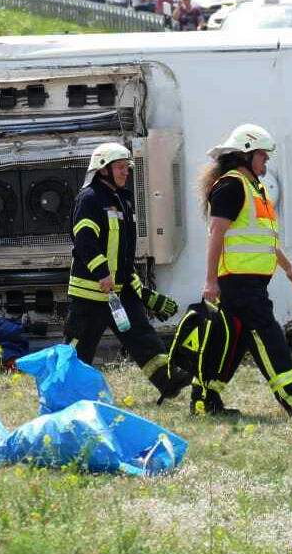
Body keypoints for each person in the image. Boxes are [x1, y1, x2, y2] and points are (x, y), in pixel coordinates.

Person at [199, 124, 292, 417]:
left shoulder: (254, 189)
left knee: (230, 344)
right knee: (268, 333)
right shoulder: (231, 186)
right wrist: (210, 280)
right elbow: (216, 234)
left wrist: (289, 268)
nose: (266, 162)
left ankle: (204, 400)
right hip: (237, 282)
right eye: (263, 156)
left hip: (251, 282)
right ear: (246, 154)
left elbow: (263, 239)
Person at [64, 143, 191, 403]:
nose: (126, 173)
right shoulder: (89, 199)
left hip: (119, 292)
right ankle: (64, 394)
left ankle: (168, 381)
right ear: (103, 169)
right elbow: (85, 241)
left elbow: (122, 254)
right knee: (79, 349)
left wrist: (140, 291)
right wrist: (101, 273)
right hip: (91, 293)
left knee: (142, 336)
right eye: (120, 167)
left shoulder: (122, 199)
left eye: (126, 168)